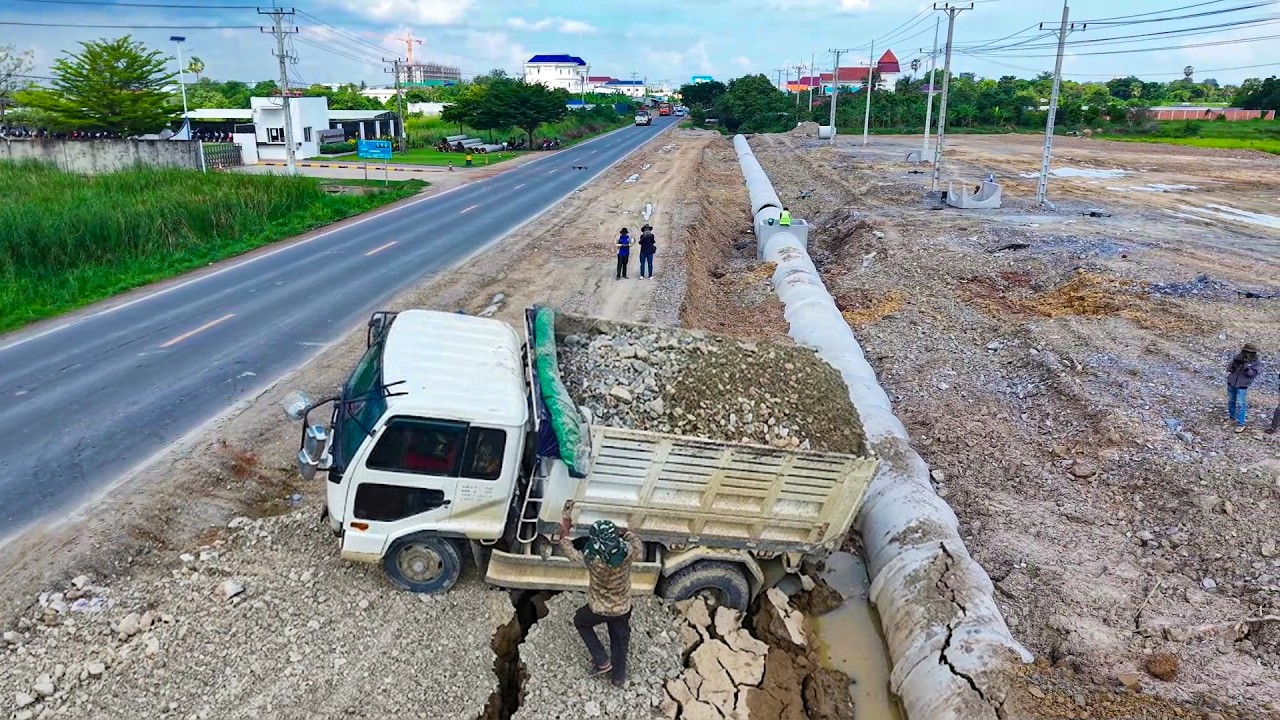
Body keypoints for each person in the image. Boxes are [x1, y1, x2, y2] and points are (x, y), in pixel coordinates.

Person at [558, 516, 644, 688]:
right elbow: (638, 543)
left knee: (580, 621)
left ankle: (602, 660)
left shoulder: (591, 559)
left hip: (598, 608)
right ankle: (618, 678)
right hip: (622, 608)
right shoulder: (628, 553)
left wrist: (565, 532)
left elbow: (568, 549)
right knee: (619, 639)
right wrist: (627, 532)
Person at [1227, 343, 1262, 433]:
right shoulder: (1238, 357)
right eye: (1245, 351)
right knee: (1231, 401)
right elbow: (1229, 369)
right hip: (1232, 383)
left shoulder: (1256, 362)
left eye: (1249, 352)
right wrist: (1233, 366)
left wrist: (1246, 368)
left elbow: (1253, 374)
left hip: (1242, 386)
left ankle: (1241, 424)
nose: (1247, 353)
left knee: (1241, 404)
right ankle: (1232, 418)